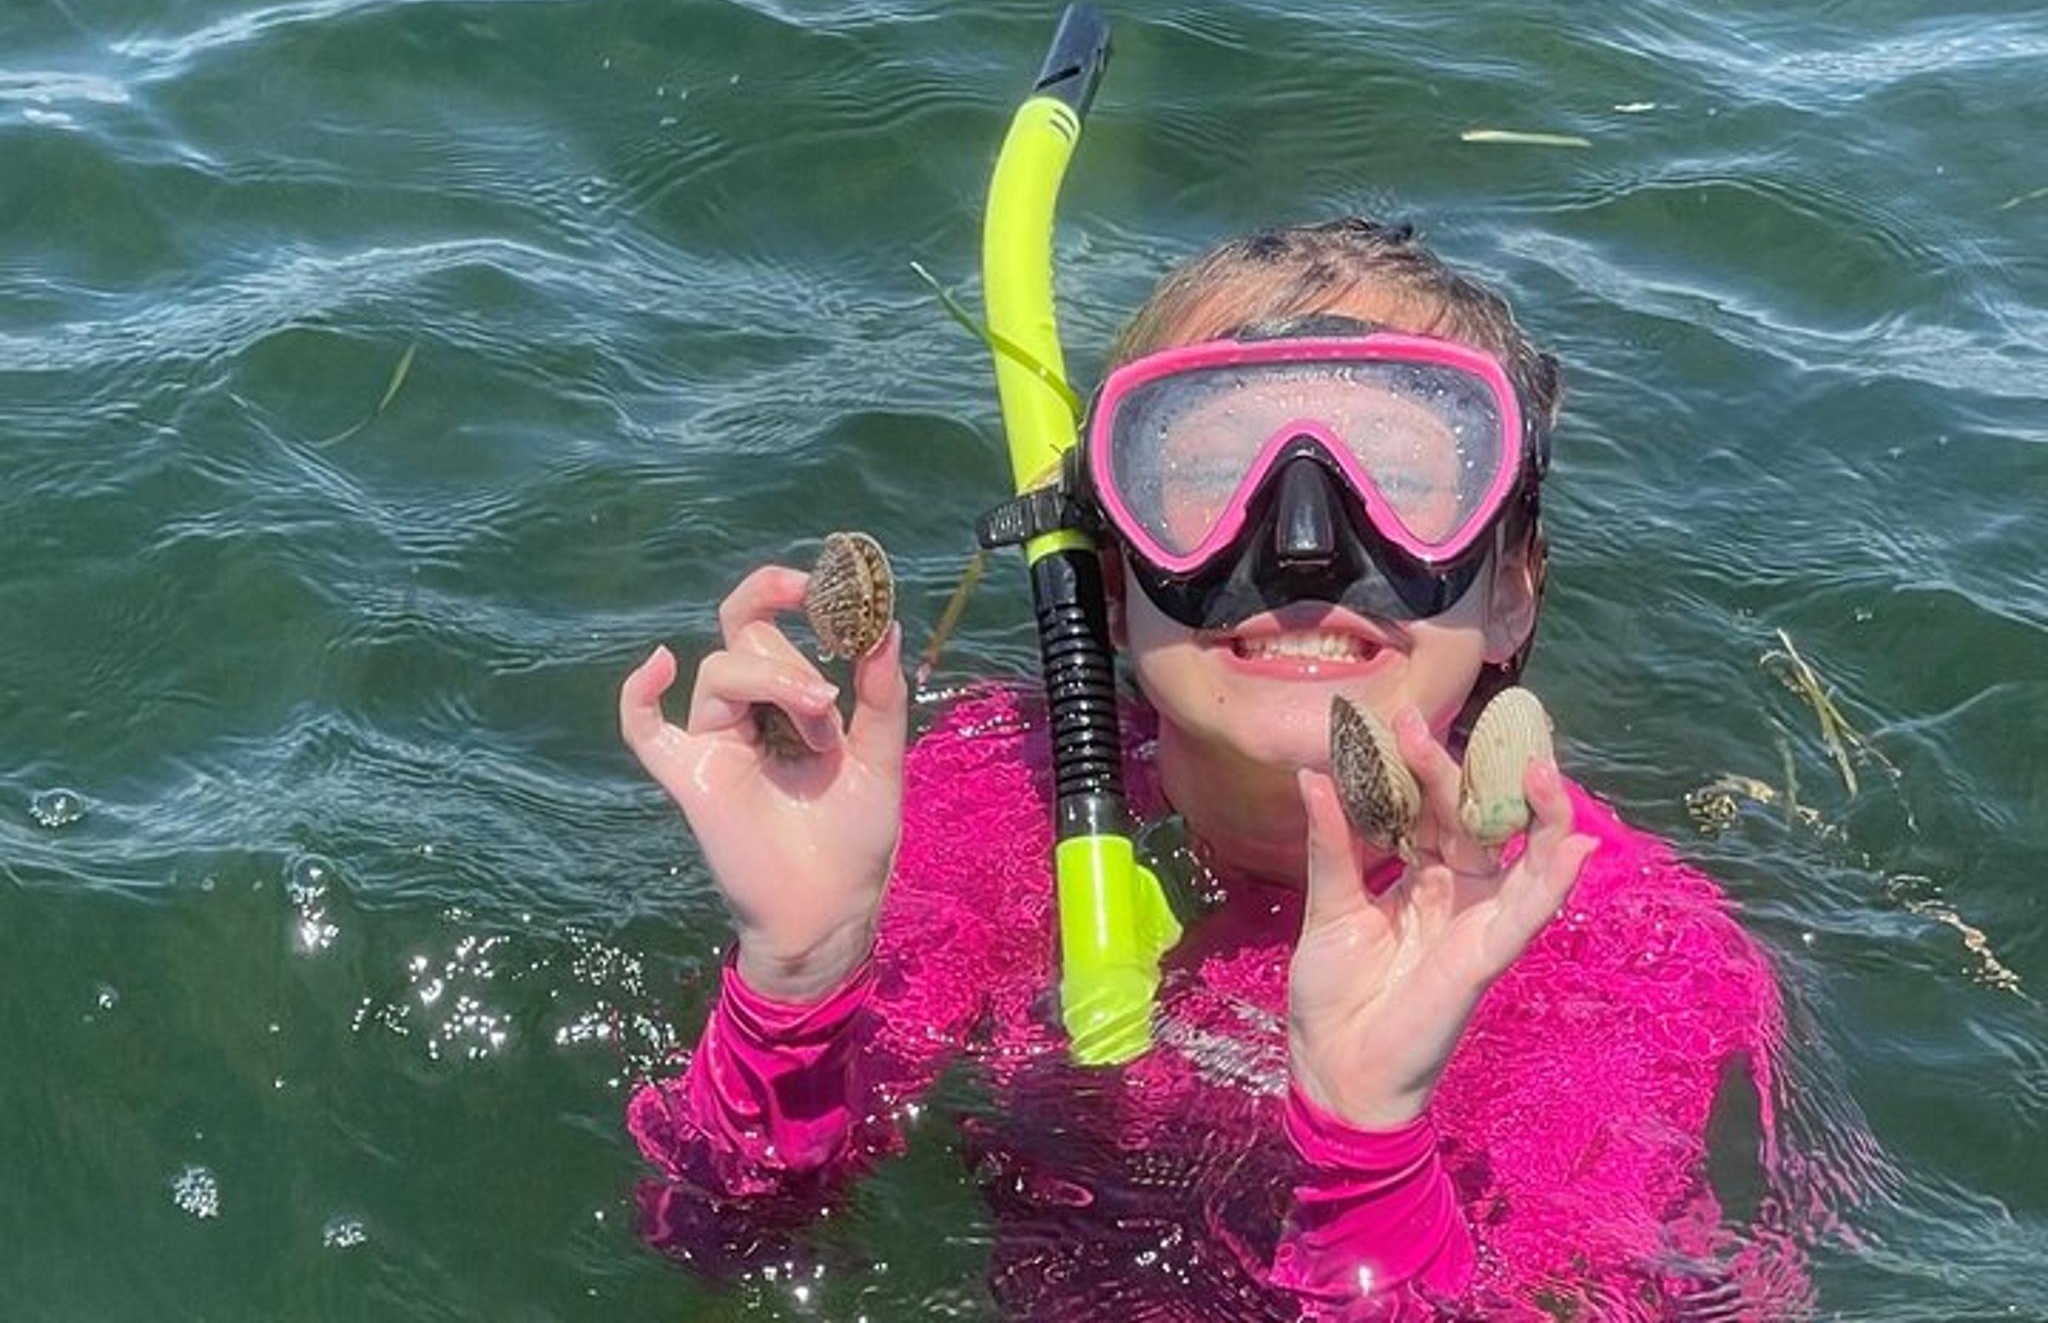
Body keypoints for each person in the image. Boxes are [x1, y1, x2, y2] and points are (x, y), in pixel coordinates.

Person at [616, 219, 1800, 1319]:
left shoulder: (1630, 960)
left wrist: (1369, 1144)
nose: (1299, 545)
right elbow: (719, 1236)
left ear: (1509, 592)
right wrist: (794, 983)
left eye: (1400, 474)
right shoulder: (971, 801)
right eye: (1202, 470)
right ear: (1112, 585)